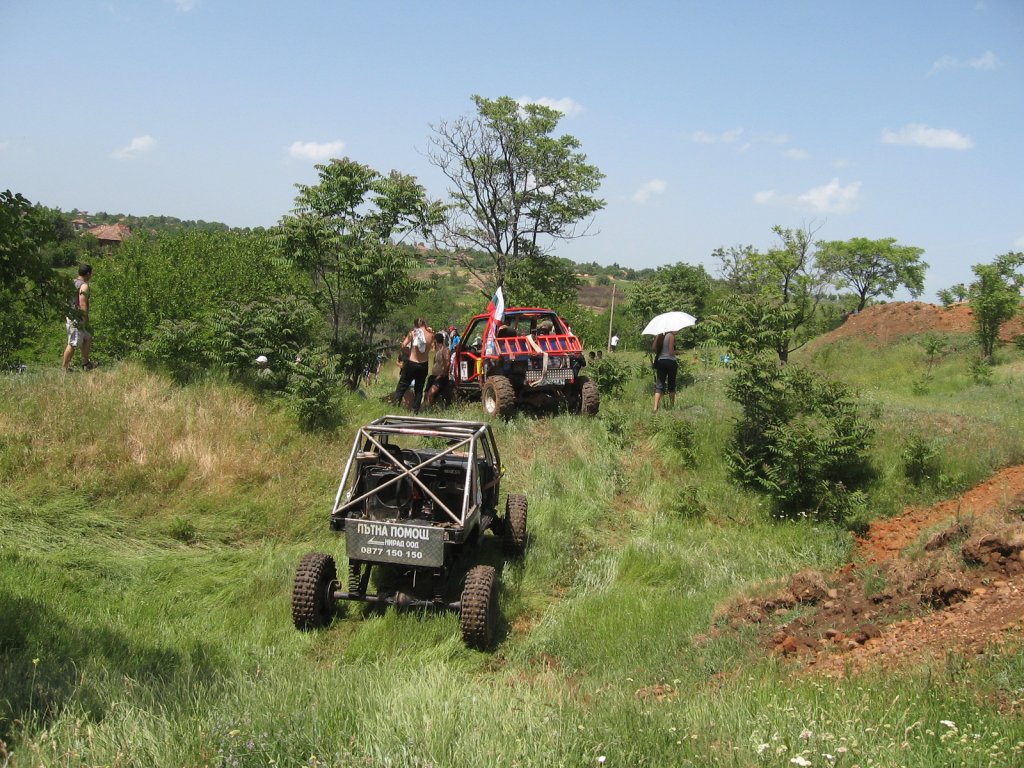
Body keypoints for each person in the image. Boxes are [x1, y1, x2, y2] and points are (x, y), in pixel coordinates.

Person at [391, 318, 432, 412]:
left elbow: (403, 345)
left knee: (402, 385)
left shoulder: (413, 333)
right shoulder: (430, 335)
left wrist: (409, 353)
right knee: (419, 388)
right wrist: (428, 329)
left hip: (412, 362)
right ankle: (415, 410)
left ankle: (395, 406)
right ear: (424, 324)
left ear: (416, 325)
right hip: (423, 364)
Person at [62, 264, 95, 371]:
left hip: (71, 315)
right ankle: (65, 369)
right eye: (91, 273)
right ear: (88, 274)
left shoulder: (72, 283)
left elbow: (65, 299)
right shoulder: (84, 286)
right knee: (73, 343)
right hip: (77, 318)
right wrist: (85, 318)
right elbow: (82, 303)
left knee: (87, 337)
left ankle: (85, 363)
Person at [652, 330, 677, 412]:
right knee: (671, 385)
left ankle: (655, 408)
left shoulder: (659, 335)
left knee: (659, 386)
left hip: (661, 362)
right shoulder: (671, 335)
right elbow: (671, 352)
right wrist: (678, 352)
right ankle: (672, 406)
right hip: (670, 362)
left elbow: (654, 349)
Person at [425, 331, 451, 408]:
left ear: (436, 341)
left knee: (430, 394)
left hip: (441, 377)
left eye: (434, 341)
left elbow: (448, 363)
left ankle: (431, 409)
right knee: (426, 394)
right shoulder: (437, 351)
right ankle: (427, 408)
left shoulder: (445, 350)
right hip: (433, 376)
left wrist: (443, 374)